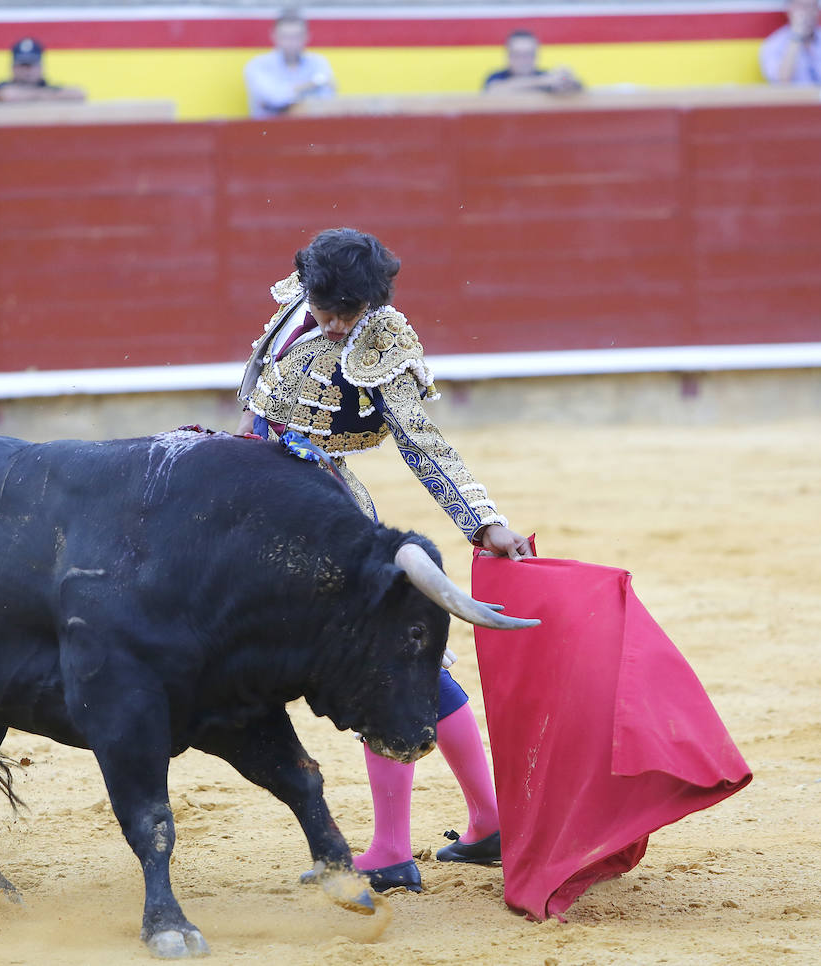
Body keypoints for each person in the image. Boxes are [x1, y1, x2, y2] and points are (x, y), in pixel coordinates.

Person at [236, 228, 532, 893]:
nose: (336, 323)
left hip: (320, 511)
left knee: (382, 660)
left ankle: (396, 846)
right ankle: (490, 820)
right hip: (253, 495)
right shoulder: (299, 300)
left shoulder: (384, 342)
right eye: (327, 308)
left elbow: (424, 446)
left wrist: (484, 520)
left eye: (350, 311)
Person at [243, 9, 336, 119]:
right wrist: (313, 84)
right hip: (268, 131)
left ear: (307, 36)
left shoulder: (318, 62)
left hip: (310, 130)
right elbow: (274, 98)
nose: (291, 42)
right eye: (285, 36)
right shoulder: (257, 65)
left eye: (296, 36)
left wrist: (288, 96)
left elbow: (326, 100)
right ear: (274, 36)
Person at [759, 0, 821, 85]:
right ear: (789, 9)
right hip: (793, 101)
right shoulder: (774, 45)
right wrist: (796, 37)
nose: (808, 13)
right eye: (802, 7)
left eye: (813, 7)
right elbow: (782, 82)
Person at [482, 29, 583, 94]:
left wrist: (567, 80)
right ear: (508, 56)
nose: (523, 61)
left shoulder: (546, 76)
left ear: (536, 56)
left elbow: (576, 92)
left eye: (528, 55)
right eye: (517, 54)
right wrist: (542, 81)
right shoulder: (497, 77)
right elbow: (493, 91)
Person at [0, 37, 86, 103]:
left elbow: (78, 94)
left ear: (41, 67)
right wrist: (49, 96)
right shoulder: (1, 87)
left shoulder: (49, 87)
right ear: (13, 67)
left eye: (32, 64)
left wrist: (30, 97)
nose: (27, 71)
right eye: (23, 65)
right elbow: (7, 97)